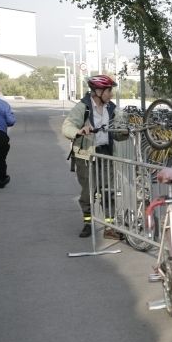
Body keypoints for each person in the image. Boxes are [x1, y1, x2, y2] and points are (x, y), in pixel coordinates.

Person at [61, 74, 127, 239]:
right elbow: (67, 126)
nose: (111, 94)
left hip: (106, 153)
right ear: (98, 91)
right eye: (108, 90)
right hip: (86, 155)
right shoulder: (83, 107)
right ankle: (88, 223)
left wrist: (124, 131)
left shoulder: (112, 108)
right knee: (88, 192)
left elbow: (118, 133)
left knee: (108, 191)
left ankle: (109, 227)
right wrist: (78, 131)